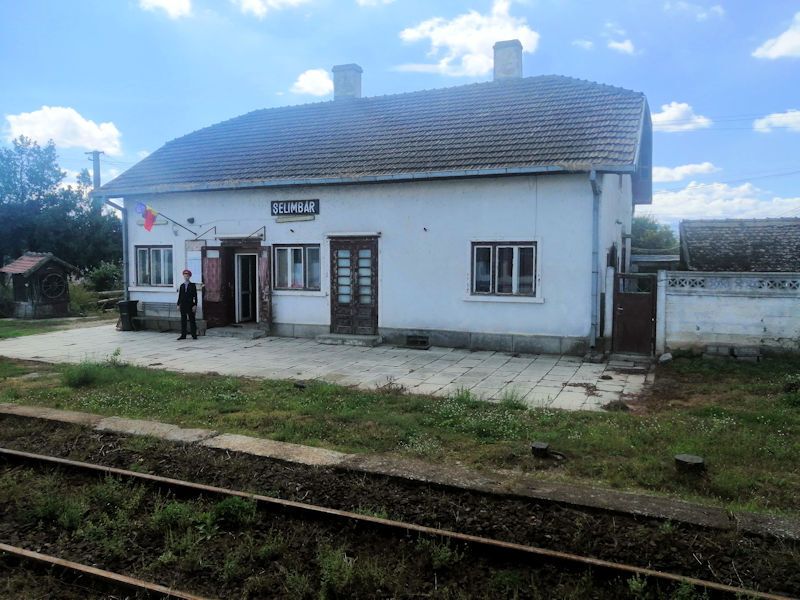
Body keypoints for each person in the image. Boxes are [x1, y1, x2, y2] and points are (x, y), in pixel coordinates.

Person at [177, 269, 198, 340]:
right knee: (183, 320)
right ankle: (183, 335)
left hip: (190, 305)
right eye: (185, 276)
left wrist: (195, 305)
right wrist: (178, 304)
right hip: (183, 305)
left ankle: (194, 335)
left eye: (187, 276)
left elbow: (195, 296)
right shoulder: (182, 286)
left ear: (189, 277)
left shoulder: (192, 285)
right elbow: (180, 296)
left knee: (192, 319)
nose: (186, 277)